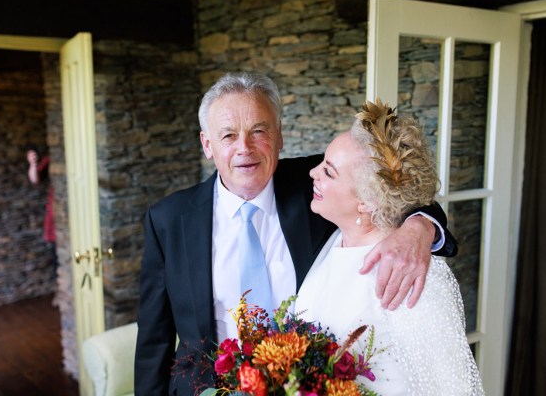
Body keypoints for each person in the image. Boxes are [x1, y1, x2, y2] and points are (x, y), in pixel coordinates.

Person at [134, 72, 457, 395]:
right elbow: (154, 342)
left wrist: (419, 227)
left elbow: (399, 188)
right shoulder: (169, 220)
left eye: (258, 131)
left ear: (279, 135)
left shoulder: (319, 187)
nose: (244, 148)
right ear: (207, 144)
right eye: (228, 135)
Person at [294, 99, 483, 395]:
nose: (312, 173)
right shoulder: (335, 238)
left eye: (329, 171)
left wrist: (422, 224)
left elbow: (450, 386)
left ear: (368, 201)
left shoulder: (411, 271)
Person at [27, 148, 57, 279]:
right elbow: (35, 179)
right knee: (57, 252)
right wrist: (32, 164)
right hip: (56, 210)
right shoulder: (51, 158)